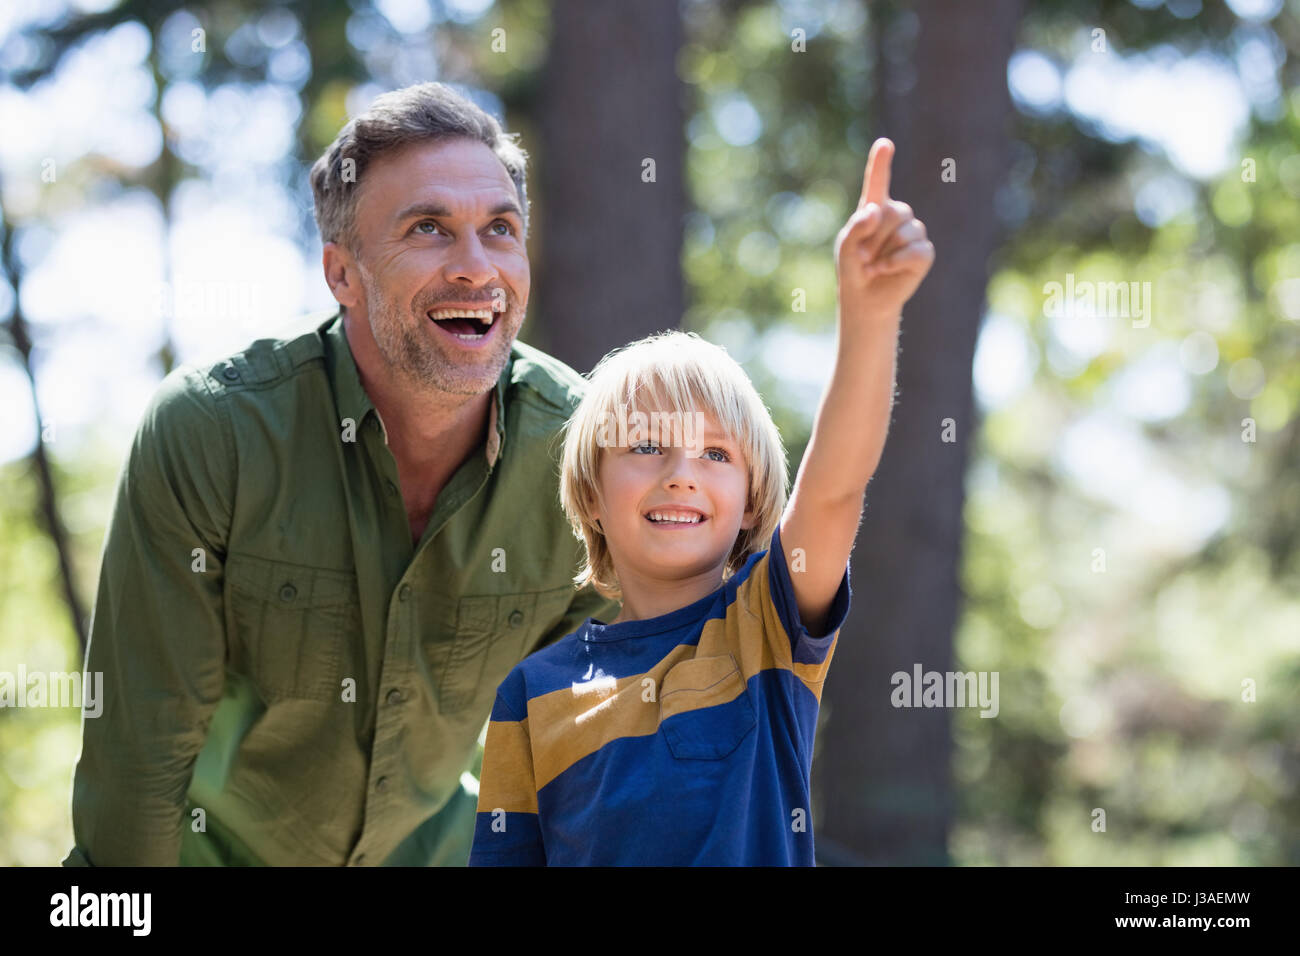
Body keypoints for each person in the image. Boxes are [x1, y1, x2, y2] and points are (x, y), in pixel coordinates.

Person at [63, 82, 619, 867]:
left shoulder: (589, 455)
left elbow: (591, 756)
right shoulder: (214, 431)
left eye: (500, 229)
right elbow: (140, 768)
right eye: (428, 229)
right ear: (343, 275)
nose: (476, 267)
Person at [468, 138, 933, 865]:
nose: (682, 473)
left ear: (752, 503)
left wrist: (869, 316)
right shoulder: (530, 694)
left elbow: (837, 488)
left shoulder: (765, 628)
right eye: (646, 445)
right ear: (591, 492)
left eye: (717, 454)